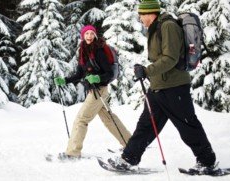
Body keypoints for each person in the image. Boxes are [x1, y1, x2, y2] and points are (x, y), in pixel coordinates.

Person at [109, 0, 216, 172]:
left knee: (187, 125)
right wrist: (146, 70)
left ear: (151, 13)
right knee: (146, 125)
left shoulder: (168, 27)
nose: (140, 17)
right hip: (159, 86)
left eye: (142, 14)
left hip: (174, 86)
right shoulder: (156, 28)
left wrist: (147, 70)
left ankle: (207, 161)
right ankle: (129, 158)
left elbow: (170, 58)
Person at [54, 25, 131, 159]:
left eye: (91, 33)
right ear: (83, 36)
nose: (89, 36)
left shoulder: (99, 51)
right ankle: (130, 143)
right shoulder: (83, 51)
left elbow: (109, 73)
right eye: (86, 34)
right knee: (109, 119)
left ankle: (73, 152)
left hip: (98, 90)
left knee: (81, 119)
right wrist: (65, 80)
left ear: (95, 35)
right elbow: (79, 74)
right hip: (95, 91)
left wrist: (97, 78)